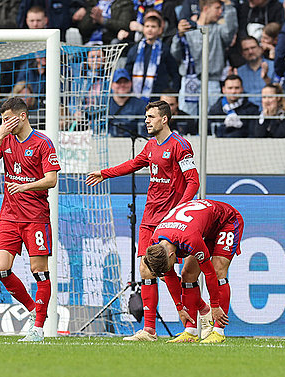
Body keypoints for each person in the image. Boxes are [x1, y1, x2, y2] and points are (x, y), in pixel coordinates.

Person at [85, 100, 202, 341]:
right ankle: (149, 329)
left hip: (170, 220)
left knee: (167, 270)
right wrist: (104, 173)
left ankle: (199, 312)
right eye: (146, 117)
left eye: (151, 117)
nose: (146, 121)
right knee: (146, 268)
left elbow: (193, 181)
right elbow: (133, 164)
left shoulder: (180, 145)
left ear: (164, 119)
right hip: (149, 218)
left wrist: (180, 211)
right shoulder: (150, 146)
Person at [0, 97, 60, 342]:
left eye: (7, 120)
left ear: (22, 116)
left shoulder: (42, 143)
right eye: (2, 120)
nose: (4, 124)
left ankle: (37, 329)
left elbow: (51, 180)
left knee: (40, 272)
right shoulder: (5, 140)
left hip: (35, 217)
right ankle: (34, 310)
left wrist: (24, 187)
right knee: (1, 268)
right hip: (9, 217)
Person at [143, 199, 244, 343]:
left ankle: (218, 331)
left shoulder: (189, 239)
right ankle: (191, 331)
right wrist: (179, 308)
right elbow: (170, 275)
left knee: (217, 270)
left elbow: (209, 273)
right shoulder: (156, 243)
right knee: (187, 274)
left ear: (172, 255)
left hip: (226, 222)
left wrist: (215, 306)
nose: (169, 269)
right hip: (203, 227)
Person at [171, 0, 237, 116]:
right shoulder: (188, 28)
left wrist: (229, 5)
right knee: (188, 120)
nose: (220, 12)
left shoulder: (219, 30)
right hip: (188, 81)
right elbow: (175, 55)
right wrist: (179, 36)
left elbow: (230, 30)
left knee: (210, 119)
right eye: (217, 8)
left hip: (212, 81)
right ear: (206, 9)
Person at [125, 10, 180, 101]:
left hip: (158, 95)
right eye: (147, 26)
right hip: (136, 96)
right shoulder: (135, 49)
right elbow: (128, 71)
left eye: (153, 27)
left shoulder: (164, 50)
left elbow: (174, 72)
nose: (150, 29)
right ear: (143, 28)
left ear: (159, 29)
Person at [237, 36, 275, 110]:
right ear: (242, 53)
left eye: (253, 47)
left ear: (260, 49)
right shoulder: (239, 71)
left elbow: (278, 90)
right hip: (247, 113)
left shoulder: (273, 66)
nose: (250, 52)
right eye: (246, 49)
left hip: (269, 110)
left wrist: (267, 79)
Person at [108, 68, 147, 136]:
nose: (122, 85)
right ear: (112, 85)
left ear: (130, 83)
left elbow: (144, 131)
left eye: (125, 82)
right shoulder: (104, 105)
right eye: (118, 82)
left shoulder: (141, 105)